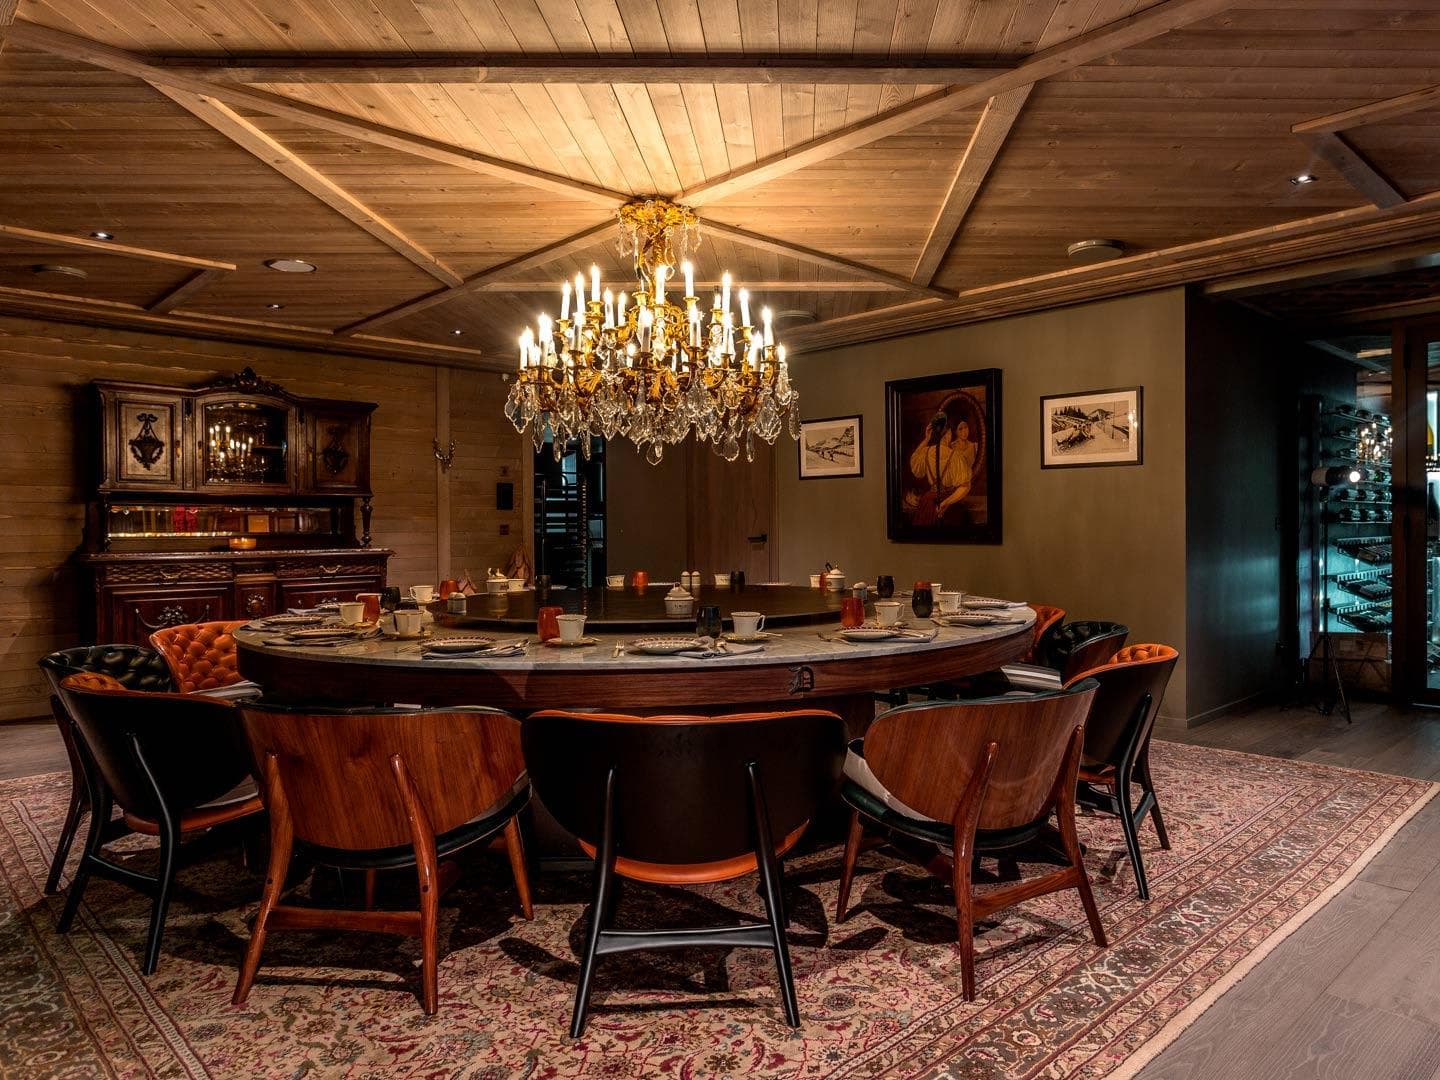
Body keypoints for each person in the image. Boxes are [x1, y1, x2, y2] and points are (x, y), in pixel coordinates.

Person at [903, 406, 977, 525]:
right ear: (948, 433)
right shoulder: (955, 456)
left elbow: (914, 461)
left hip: (927, 503)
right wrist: (945, 503)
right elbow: (965, 487)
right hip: (947, 505)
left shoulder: (925, 452)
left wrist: (926, 439)